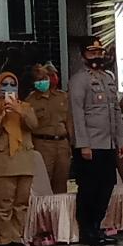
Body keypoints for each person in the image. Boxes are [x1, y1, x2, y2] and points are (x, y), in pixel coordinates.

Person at [69, 39, 123, 246]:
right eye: (92, 52)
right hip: (90, 145)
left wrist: (120, 140)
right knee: (89, 189)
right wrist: (83, 144)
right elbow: (77, 114)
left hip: (108, 143)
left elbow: (116, 112)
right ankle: (87, 230)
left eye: (99, 52)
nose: (97, 56)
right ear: (83, 55)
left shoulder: (108, 79)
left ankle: (97, 225)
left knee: (106, 186)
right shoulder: (79, 80)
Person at [0, 71, 38, 246]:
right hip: (1, 162)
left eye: (12, 84)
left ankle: (16, 237)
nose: (8, 88)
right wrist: (1, 118)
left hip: (23, 160)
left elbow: (34, 125)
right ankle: (3, 240)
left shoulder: (26, 106)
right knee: (3, 202)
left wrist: (19, 111)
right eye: (4, 84)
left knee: (21, 202)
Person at [27, 63, 72, 194]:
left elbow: (69, 121)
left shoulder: (62, 97)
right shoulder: (30, 101)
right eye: (39, 80)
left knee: (61, 182)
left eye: (44, 78)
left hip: (62, 144)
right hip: (42, 144)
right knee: (43, 182)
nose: (42, 82)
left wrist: (72, 143)